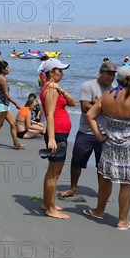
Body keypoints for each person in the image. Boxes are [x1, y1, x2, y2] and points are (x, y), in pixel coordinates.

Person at [84, 66, 130, 230]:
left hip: (109, 143)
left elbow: (90, 115)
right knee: (127, 183)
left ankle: (99, 210)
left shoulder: (107, 96)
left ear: (117, 79)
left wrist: (99, 135)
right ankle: (123, 221)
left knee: (105, 178)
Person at [58, 61, 117, 198]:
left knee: (103, 166)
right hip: (86, 132)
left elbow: (115, 110)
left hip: (105, 133)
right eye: (108, 73)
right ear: (100, 73)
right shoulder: (88, 86)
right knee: (77, 161)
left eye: (113, 74)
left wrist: (95, 104)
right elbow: (85, 107)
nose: (111, 77)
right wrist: (105, 107)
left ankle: (103, 192)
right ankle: (73, 188)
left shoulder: (114, 90)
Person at [40, 58, 76, 219]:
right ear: (50, 72)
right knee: (54, 173)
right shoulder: (50, 90)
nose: (62, 73)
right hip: (57, 134)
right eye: (59, 70)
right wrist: (52, 139)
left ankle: (47, 203)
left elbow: (73, 102)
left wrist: (60, 88)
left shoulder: (55, 88)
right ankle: (51, 208)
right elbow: (49, 114)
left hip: (60, 132)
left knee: (52, 171)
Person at [0, 61, 26, 149]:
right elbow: (6, 94)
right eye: (7, 68)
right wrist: (16, 103)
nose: (9, 69)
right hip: (1, 105)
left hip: (4, 104)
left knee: (13, 123)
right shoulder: (2, 79)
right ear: (2, 70)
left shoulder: (1, 77)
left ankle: (16, 143)